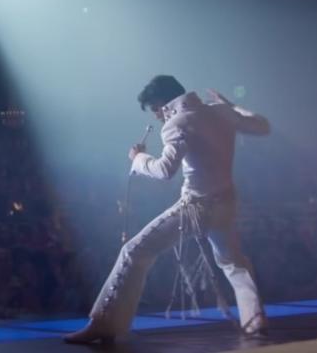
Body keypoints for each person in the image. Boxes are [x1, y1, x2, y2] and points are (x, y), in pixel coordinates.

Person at [64, 75, 269, 343]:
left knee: (133, 252)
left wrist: (138, 158)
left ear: (163, 102)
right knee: (234, 263)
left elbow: (164, 171)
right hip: (227, 202)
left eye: (155, 110)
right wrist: (233, 106)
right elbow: (262, 127)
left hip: (197, 207)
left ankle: (104, 324)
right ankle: (256, 321)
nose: (157, 118)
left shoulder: (177, 123)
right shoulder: (220, 111)